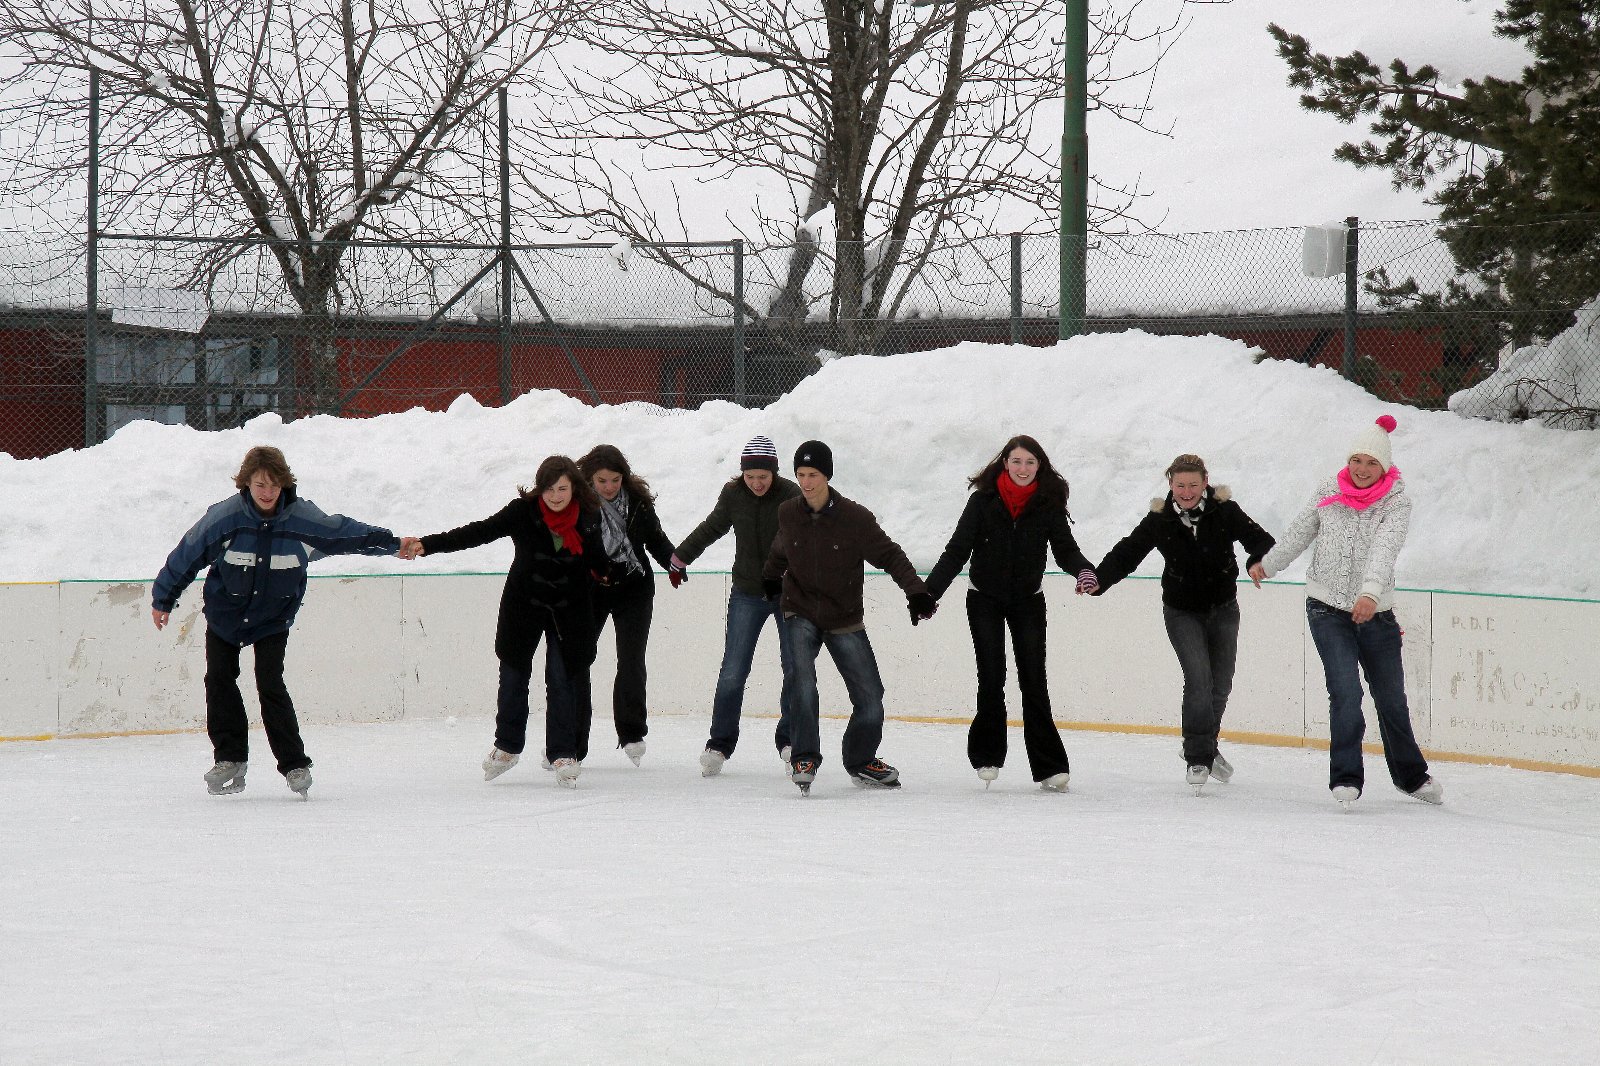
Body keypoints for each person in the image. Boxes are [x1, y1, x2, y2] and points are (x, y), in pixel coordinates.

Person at [151, 446, 406, 799]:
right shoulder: (225, 518)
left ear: (284, 484)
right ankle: (230, 758)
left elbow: (344, 533)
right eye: (259, 485)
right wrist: (164, 598)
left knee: (270, 682)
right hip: (226, 614)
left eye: (273, 485)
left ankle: (294, 763)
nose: (267, 492)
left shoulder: (302, 520)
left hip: (273, 617)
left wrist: (392, 544)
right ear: (247, 484)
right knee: (220, 679)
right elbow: (188, 554)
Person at [1248, 416, 1443, 810]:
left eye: (1371, 463)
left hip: (1377, 614)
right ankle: (1346, 777)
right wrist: (1268, 565)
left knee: (1391, 700)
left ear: (1384, 468)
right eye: (1357, 460)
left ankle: (1410, 776)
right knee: (1346, 693)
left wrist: (1370, 595)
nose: (1362, 469)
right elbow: (1300, 532)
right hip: (1326, 609)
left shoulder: (1397, 502)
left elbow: (1385, 550)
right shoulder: (1329, 491)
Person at [401, 455, 605, 789]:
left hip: (570, 610)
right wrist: (430, 544)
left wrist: (612, 572)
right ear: (539, 489)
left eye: (563, 489)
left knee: (563, 678)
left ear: (574, 489)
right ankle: (508, 746)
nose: (556, 496)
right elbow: (479, 532)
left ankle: (563, 753)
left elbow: (598, 558)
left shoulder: (588, 516)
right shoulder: (522, 511)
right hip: (524, 606)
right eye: (550, 489)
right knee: (513, 675)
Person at [762, 439, 936, 794]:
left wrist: (916, 591)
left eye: (813, 474)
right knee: (802, 682)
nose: (806, 482)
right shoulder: (788, 512)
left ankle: (861, 759)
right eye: (801, 474)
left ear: (827, 475)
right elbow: (782, 548)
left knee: (871, 696)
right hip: (800, 610)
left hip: (843, 617)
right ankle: (805, 756)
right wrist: (769, 577)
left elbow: (890, 555)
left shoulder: (855, 519)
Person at [1094, 454, 1275, 792]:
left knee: (1220, 685)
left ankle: (1205, 745)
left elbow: (1261, 541)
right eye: (1181, 485)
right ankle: (1198, 756)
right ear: (1171, 486)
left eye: (1194, 484)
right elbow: (1127, 553)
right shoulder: (1159, 519)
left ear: (1205, 482)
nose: (1187, 491)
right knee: (1198, 679)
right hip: (1181, 612)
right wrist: (1098, 580)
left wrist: (1255, 562)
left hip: (1223, 609)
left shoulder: (1225, 512)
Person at [925, 435, 1095, 792]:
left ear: (1039, 467)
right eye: (1016, 461)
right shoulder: (982, 501)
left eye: (1030, 462)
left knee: (1034, 680)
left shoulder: (1047, 504)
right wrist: (929, 594)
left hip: (1028, 599)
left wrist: (1084, 570)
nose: (1022, 469)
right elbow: (956, 551)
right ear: (1005, 463)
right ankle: (987, 755)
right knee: (991, 676)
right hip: (983, 598)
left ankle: (1049, 766)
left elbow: (1065, 549)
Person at [670, 435, 803, 777]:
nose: (757, 483)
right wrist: (681, 556)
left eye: (763, 476)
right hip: (747, 593)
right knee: (733, 672)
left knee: (795, 667)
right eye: (750, 476)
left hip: (789, 594)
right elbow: (712, 527)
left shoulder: (791, 495)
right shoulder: (733, 495)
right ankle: (719, 743)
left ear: (774, 472)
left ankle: (790, 740)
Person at [575, 444, 679, 767]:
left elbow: (657, 540)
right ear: (589, 479)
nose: (609, 487)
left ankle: (632, 731)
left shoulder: (637, 503)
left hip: (634, 587)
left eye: (615, 480)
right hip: (592, 589)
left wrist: (674, 563)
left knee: (632, 660)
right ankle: (570, 741)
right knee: (576, 660)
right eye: (602, 481)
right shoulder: (578, 506)